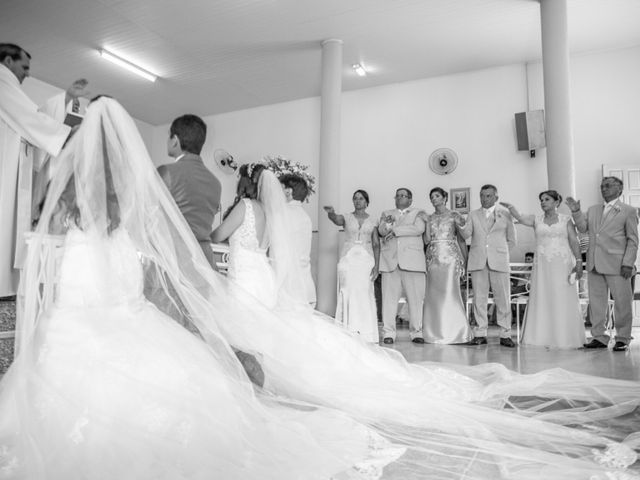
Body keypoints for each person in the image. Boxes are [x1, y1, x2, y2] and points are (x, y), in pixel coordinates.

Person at [0, 98, 402, 478]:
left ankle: (243, 369)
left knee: (184, 332)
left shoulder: (162, 174)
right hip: (201, 260)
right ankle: (242, 371)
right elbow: (187, 224)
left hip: (165, 263)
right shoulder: (208, 180)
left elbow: (137, 226)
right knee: (196, 334)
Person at [205, 163, 640, 477]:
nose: (418, 202)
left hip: (450, 259)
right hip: (408, 259)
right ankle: (415, 333)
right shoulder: (393, 219)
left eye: (428, 197)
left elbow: (487, 234)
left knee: (455, 299)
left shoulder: (439, 217)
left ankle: (585, 335)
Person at [0, 43, 71, 298]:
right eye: (24, 67)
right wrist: (68, 136)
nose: (27, 74)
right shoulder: (2, 79)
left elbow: (33, 116)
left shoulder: (11, 89)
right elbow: (33, 118)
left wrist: (66, 99)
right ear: (8, 61)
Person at [501, 191, 586, 348]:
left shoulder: (566, 220)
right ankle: (541, 336)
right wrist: (511, 207)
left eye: (547, 199)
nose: (543, 202)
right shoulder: (536, 219)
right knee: (543, 295)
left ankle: (565, 336)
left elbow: (574, 241)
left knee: (562, 296)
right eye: (541, 200)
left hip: (563, 263)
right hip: (542, 265)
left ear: (556, 202)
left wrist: (579, 262)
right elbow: (519, 218)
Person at [567, 176, 639, 352]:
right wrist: (576, 211)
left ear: (619, 190)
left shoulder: (628, 211)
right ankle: (599, 336)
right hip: (594, 263)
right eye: (602, 186)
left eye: (608, 186)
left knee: (622, 303)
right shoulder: (593, 209)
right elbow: (583, 229)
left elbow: (633, 240)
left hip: (618, 264)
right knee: (597, 303)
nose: (603, 189)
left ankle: (623, 338)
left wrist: (628, 263)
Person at [157, 114, 221, 268]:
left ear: (175, 140)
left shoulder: (167, 172)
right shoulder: (215, 182)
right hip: (204, 261)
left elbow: (150, 215)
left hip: (174, 260)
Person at [461, 184, 516, 347]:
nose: (484, 199)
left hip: (499, 260)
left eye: (488, 196)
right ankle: (480, 333)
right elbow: (466, 235)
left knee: (503, 298)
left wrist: (500, 253)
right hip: (478, 260)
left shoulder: (506, 214)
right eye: (482, 195)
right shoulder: (472, 214)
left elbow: (513, 240)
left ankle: (505, 334)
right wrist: (460, 223)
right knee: (479, 298)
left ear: (496, 198)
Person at [323, 189, 380, 343]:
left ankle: (366, 331)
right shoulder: (347, 217)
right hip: (348, 258)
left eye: (361, 198)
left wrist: (377, 266)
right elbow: (336, 219)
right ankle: (347, 328)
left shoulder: (373, 219)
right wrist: (331, 213)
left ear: (366, 202)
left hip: (366, 259)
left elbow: (376, 243)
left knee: (364, 292)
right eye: (355, 198)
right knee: (348, 290)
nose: (358, 201)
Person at [418, 187, 473, 344]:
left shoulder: (454, 215)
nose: (434, 199)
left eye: (436, 196)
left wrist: (465, 259)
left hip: (450, 258)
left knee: (451, 293)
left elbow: (463, 238)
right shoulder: (428, 217)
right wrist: (427, 223)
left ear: (444, 198)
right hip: (433, 259)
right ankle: (433, 332)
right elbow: (426, 240)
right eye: (431, 196)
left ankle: (458, 331)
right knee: (433, 295)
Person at [32, 78, 91, 220]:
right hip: (51, 169)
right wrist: (68, 97)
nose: (76, 109)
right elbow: (43, 119)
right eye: (73, 107)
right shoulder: (54, 124)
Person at [377, 188, 426, 344]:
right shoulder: (386, 213)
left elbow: (418, 229)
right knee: (389, 299)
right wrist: (387, 225)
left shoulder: (419, 212)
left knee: (416, 300)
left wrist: (396, 230)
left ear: (410, 200)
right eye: (397, 195)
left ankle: (416, 332)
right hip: (390, 261)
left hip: (413, 261)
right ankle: (388, 333)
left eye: (403, 196)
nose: (399, 198)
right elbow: (382, 231)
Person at [280, 173, 316, 306]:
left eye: (280, 188)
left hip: (288, 286)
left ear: (288, 191)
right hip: (306, 285)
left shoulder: (282, 213)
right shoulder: (305, 216)